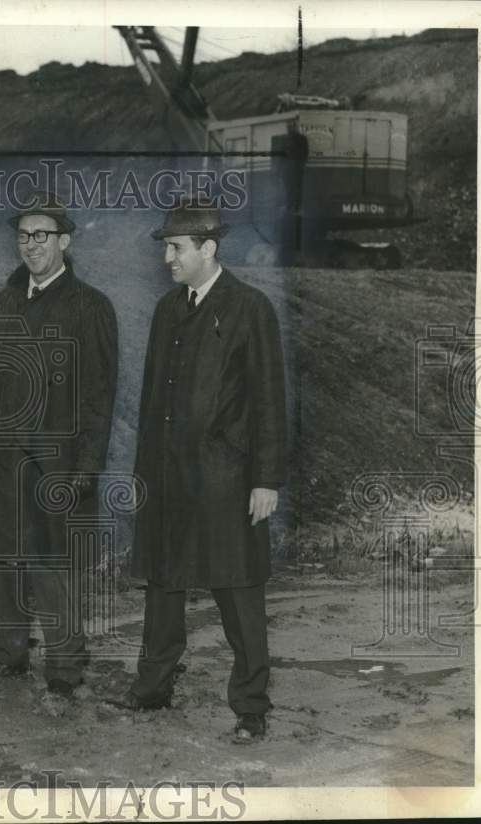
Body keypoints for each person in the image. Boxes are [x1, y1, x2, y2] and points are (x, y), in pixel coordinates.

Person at [112, 204, 287, 742]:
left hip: (225, 478)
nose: (167, 258)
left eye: (176, 248)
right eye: (166, 247)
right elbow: (151, 401)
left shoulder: (250, 307)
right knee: (163, 583)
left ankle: (250, 706)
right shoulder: (168, 309)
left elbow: (268, 398)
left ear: (208, 248)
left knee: (237, 589)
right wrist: (144, 475)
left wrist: (266, 479)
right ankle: (152, 686)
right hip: (168, 475)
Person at [0, 191, 118, 698]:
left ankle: (65, 667)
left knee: (52, 565)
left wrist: (86, 466)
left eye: (41, 235)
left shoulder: (90, 306)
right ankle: (9, 653)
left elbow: (98, 396)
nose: (31, 245)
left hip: (54, 463)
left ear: (64, 241)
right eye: (24, 236)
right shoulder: (4, 300)